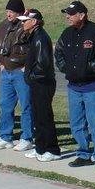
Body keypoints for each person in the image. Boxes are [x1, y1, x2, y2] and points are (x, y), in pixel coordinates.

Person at [54, 0, 95, 171]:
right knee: (77, 124)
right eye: (67, 14)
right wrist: (67, 69)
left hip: (93, 87)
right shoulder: (67, 34)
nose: (68, 17)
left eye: (71, 14)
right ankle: (83, 154)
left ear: (82, 15)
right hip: (74, 88)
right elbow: (58, 53)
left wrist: (87, 69)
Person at [0, 0, 34, 152]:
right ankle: (5, 137)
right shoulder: (3, 26)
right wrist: (0, 63)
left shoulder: (25, 26)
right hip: (6, 72)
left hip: (20, 72)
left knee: (26, 105)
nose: (8, 14)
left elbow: (33, 48)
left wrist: (26, 67)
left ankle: (27, 138)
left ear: (20, 13)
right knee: (5, 105)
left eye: (12, 12)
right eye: (7, 11)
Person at [17, 9, 61, 162]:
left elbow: (43, 64)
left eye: (25, 21)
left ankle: (52, 150)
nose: (22, 23)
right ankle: (40, 148)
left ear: (34, 22)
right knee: (37, 117)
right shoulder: (33, 36)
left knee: (45, 118)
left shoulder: (40, 37)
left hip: (43, 83)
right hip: (36, 82)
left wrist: (30, 75)